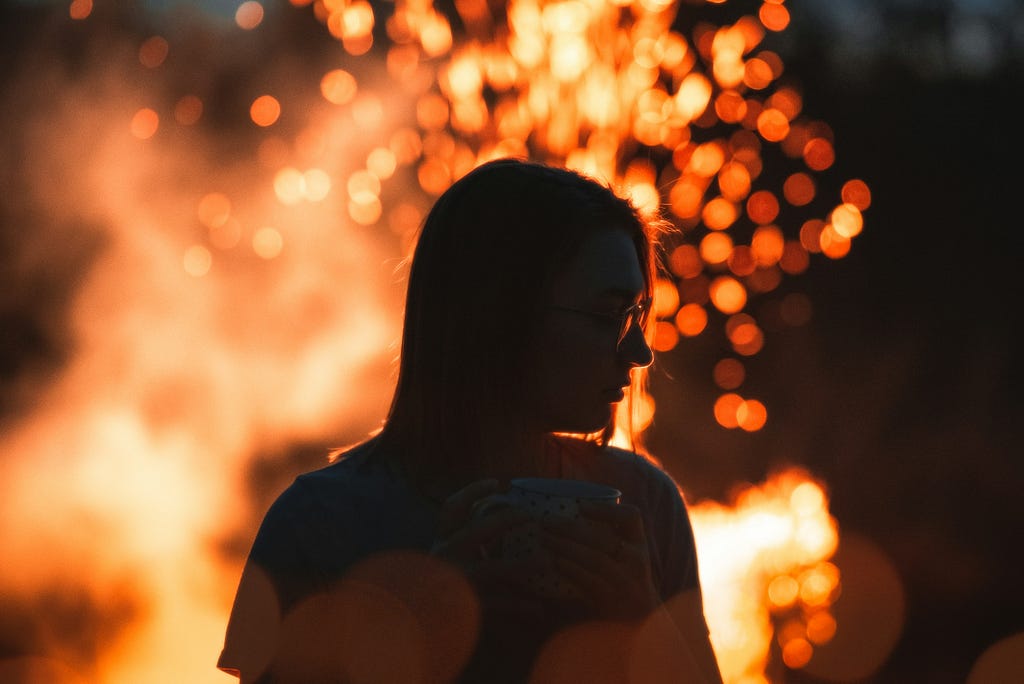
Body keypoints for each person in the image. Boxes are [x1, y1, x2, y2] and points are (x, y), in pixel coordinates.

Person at [218, 158, 724, 683]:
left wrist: (644, 619)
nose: (640, 353)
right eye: (607, 317)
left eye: (638, 315)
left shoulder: (644, 508)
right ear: (496, 315)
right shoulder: (320, 524)